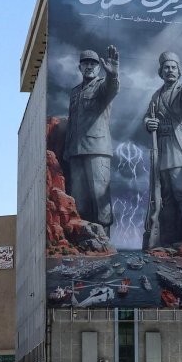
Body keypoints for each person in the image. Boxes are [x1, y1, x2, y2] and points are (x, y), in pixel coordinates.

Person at [142, 51, 182, 248]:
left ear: (179, 72)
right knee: (165, 198)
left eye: (173, 67)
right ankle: (169, 240)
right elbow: (147, 116)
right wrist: (148, 122)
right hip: (161, 150)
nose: (170, 70)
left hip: (179, 150)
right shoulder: (156, 95)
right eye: (166, 67)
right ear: (161, 71)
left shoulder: (181, 91)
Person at [63, 46, 119, 230]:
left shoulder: (102, 85)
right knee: (79, 198)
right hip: (76, 151)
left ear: (99, 67)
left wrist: (113, 75)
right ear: (80, 67)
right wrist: (67, 150)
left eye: (93, 64)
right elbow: (72, 122)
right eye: (85, 63)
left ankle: (105, 241)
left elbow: (111, 89)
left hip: (97, 148)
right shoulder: (75, 92)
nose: (89, 67)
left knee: (100, 196)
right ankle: (86, 239)